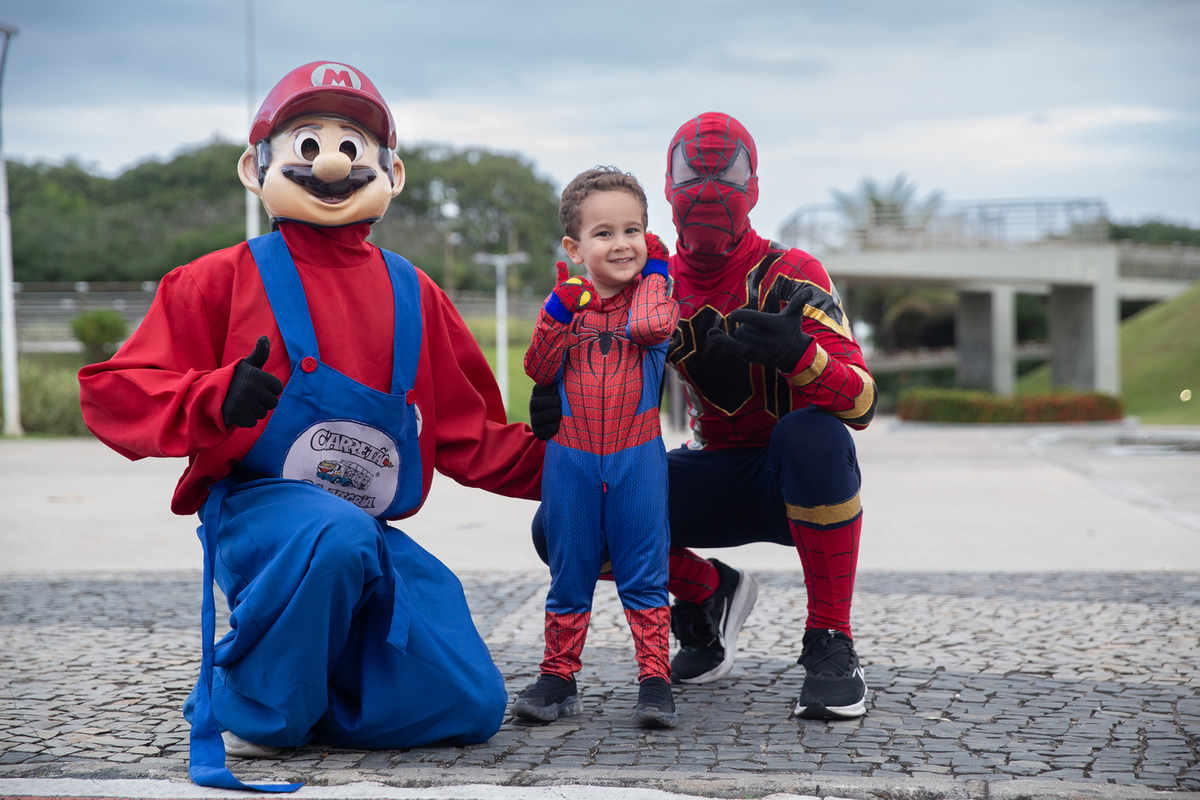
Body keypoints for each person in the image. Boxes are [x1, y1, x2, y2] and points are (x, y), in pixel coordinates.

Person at [79, 61, 542, 791]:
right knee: (334, 535)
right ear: (253, 168)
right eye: (306, 141)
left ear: (393, 172)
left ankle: (316, 693)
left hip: (363, 531)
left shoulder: (415, 293)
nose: (331, 161)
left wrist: (577, 455)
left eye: (353, 145)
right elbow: (113, 393)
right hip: (259, 513)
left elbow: (469, 434)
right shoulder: (215, 279)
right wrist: (212, 399)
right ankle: (257, 706)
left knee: (471, 703)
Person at [530, 113, 876, 720]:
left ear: (755, 187)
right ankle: (708, 593)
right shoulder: (647, 277)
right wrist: (552, 385)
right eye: (695, 171)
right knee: (559, 528)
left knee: (812, 433)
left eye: (727, 170)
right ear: (669, 187)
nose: (710, 186)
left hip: (790, 476)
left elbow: (862, 403)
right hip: (709, 467)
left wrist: (801, 358)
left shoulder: (791, 274)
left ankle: (830, 638)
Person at [516, 168, 680, 728]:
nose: (621, 244)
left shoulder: (654, 300)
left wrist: (656, 268)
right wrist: (560, 312)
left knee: (644, 569)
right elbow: (537, 368)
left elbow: (652, 327)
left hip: (638, 457)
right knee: (571, 567)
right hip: (572, 457)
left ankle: (655, 678)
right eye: (604, 233)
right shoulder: (562, 304)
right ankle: (558, 676)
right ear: (574, 246)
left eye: (633, 230)